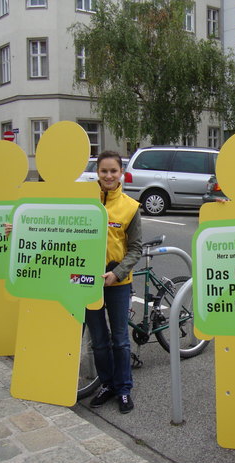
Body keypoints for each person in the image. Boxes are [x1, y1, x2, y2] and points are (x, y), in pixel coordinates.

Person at [86, 150, 142, 414]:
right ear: (97, 173)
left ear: (121, 173)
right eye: (104, 171)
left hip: (117, 283)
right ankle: (107, 384)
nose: (108, 176)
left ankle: (123, 389)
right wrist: (19, 225)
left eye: (113, 171)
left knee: (120, 339)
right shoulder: (84, 202)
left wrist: (118, 273)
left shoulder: (130, 207)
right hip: (88, 282)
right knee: (98, 339)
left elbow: (135, 249)